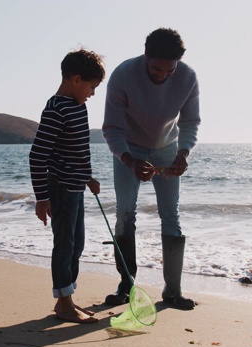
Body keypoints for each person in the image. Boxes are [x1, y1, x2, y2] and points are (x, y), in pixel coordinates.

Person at [102, 28, 201, 310]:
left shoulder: (187, 77)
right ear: (146, 56)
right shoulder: (123, 75)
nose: (163, 75)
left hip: (168, 149)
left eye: (170, 70)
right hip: (129, 149)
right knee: (124, 214)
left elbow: (190, 122)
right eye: (157, 68)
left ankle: (173, 291)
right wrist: (129, 160)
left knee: (171, 216)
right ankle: (126, 284)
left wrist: (184, 153)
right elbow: (112, 128)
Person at [29, 49, 105, 323]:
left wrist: (88, 177)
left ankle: (67, 298)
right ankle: (63, 303)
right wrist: (42, 197)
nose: (92, 93)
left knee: (77, 243)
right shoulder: (57, 108)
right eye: (92, 87)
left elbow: (75, 151)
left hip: (76, 187)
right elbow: (38, 155)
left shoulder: (78, 106)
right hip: (60, 187)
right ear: (75, 79)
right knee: (65, 243)